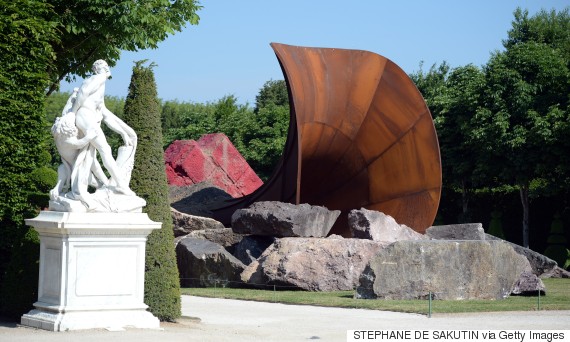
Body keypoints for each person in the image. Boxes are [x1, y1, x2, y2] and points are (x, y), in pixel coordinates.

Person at [69, 60, 137, 200]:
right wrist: (73, 113)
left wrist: (123, 132)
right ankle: (120, 185)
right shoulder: (98, 78)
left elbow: (106, 115)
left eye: (106, 65)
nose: (106, 67)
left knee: (92, 156)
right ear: (97, 69)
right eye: (103, 65)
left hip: (87, 117)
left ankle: (104, 184)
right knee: (105, 150)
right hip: (85, 116)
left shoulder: (101, 86)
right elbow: (83, 92)